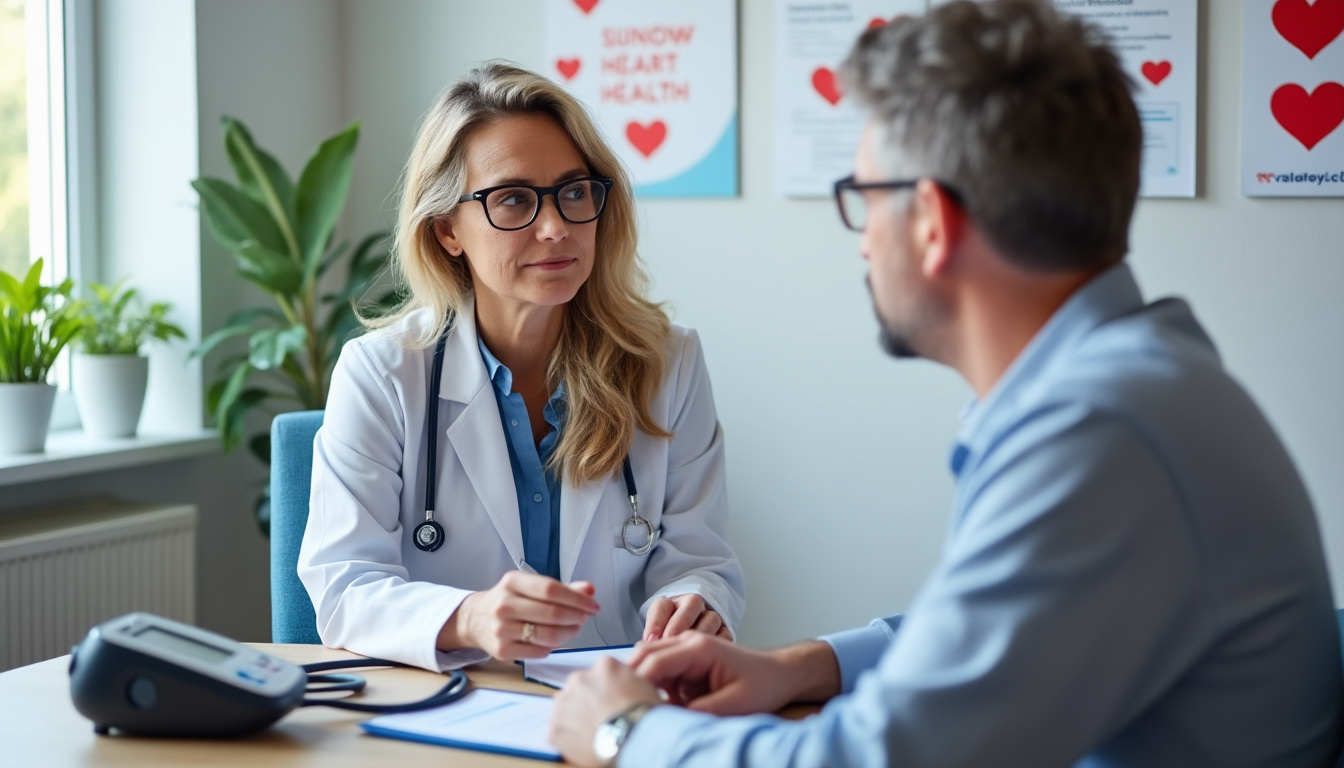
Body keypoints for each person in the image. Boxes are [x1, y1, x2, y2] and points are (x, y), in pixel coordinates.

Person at [549, 1, 1344, 765]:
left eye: (864, 199)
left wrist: (627, 735)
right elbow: (1004, 634)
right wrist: (807, 663)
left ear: (931, 221)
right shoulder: (1131, 386)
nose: (862, 246)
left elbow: (883, 760)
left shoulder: (1099, 432)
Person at [297, 63, 745, 672]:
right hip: (455, 708)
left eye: (573, 191)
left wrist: (694, 602)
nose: (557, 227)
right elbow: (344, 587)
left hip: (616, 697)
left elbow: (699, 560)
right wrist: (471, 618)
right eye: (513, 199)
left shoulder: (668, 363)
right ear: (447, 229)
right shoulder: (380, 376)